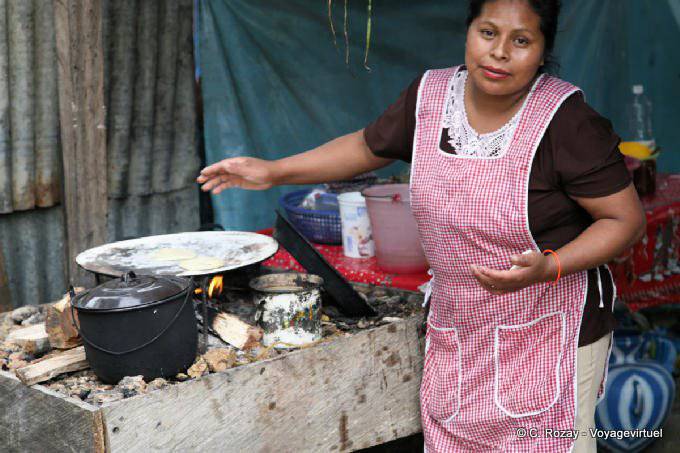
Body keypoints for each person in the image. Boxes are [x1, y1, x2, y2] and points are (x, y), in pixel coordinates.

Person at [197, 0, 646, 450]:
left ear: (543, 50)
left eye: (522, 40)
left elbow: (624, 221)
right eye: (487, 33)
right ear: (469, 31)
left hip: (551, 332)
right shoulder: (431, 97)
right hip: (458, 325)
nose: (499, 52)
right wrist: (273, 171)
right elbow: (367, 147)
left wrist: (550, 266)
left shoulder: (567, 122)